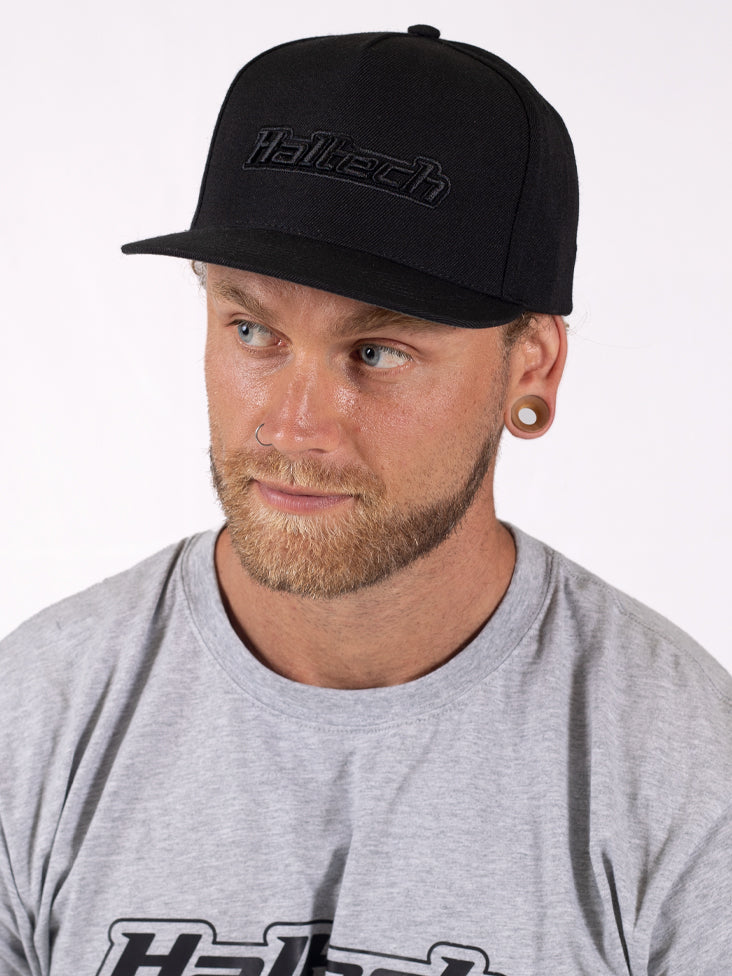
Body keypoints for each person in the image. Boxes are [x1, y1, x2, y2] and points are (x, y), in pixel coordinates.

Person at [0, 24, 729, 976]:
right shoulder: (35, 718)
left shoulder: (682, 771)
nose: (295, 426)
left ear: (533, 366)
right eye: (253, 330)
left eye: (377, 351)